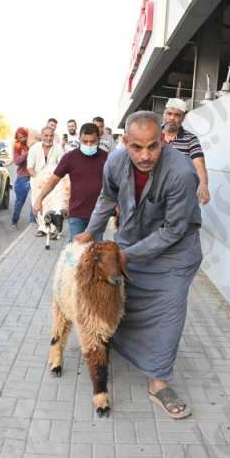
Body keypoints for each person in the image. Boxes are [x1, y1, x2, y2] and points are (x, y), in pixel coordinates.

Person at [75, 110, 202, 420]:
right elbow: (107, 198)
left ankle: (159, 383)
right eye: (137, 147)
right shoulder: (115, 162)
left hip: (175, 252)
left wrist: (124, 257)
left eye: (153, 146)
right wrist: (91, 231)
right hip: (132, 240)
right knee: (120, 300)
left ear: (163, 141)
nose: (145, 156)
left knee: (169, 313)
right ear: (125, 143)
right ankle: (109, 346)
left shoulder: (181, 172)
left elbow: (173, 231)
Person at [32, 123, 106, 241]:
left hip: (98, 215)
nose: (88, 144)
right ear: (79, 139)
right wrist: (39, 199)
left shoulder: (106, 158)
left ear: (98, 139)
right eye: (85, 141)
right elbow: (53, 180)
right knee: (75, 248)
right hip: (77, 214)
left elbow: (115, 184)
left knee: (96, 250)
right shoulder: (70, 157)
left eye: (92, 141)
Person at [162, 98, 211, 205]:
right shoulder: (153, 134)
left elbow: (199, 163)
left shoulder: (190, 139)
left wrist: (204, 185)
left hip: (179, 192)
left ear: (183, 118)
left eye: (177, 115)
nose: (172, 118)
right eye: (169, 113)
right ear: (164, 115)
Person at [27, 126, 67, 238]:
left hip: (54, 182)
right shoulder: (34, 148)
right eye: (46, 135)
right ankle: (43, 228)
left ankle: (55, 229)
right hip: (37, 181)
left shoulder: (58, 148)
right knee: (38, 204)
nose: (48, 138)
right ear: (41, 136)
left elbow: (62, 166)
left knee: (54, 205)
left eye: (51, 136)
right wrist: (39, 179)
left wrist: (53, 179)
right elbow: (29, 168)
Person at [10, 127, 31, 227]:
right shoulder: (17, 147)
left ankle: (34, 221)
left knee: (37, 200)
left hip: (34, 176)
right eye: (19, 137)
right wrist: (25, 155)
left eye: (23, 137)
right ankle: (14, 221)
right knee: (20, 202)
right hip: (23, 178)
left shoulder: (31, 144)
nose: (21, 139)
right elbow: (17, 161)